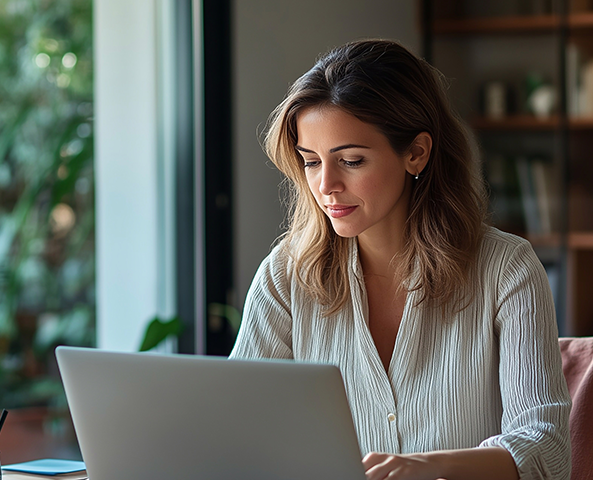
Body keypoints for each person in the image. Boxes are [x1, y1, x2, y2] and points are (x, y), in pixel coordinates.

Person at [229, 39, 571, 480]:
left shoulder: (506, 269)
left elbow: (548, 448)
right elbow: (238, 427)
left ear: (416, 153)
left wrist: (426, 469)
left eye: (351, 160)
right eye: (311, 162)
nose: (326, 185)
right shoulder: (285, 276)